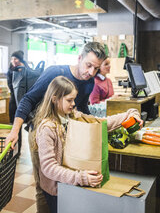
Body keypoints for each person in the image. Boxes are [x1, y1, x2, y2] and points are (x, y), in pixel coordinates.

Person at [5, 42, 143, 213]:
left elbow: (85, 114)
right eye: (88, 65)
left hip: (66, 127)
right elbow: (28, 100)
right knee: (45, 183)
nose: (91, 72)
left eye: (96, 68)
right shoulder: (56, 74)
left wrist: (126, 116)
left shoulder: (88, 82)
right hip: (43, 129)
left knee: (63, 176)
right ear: (79, 58)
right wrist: (15, 131)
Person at [33, 76, 103, 213]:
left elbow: (99, 122)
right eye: (69, 100)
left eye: (74, 99)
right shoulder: (47, 128)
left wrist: (127, 116)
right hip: (56, 190)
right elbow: (48, 167)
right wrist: (80, 177)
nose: (73, 104)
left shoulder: (72, 117)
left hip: (69, 184)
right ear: (54, 99)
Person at [7, 50, 29, 155]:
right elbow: (10, 86)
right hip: (13, 103)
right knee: (14, 127)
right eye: (12, 59)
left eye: (15, 58)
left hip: (24, 102)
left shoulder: (26, 69)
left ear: (20, 59)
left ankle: (19, 150)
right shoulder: (10, 70)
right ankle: (13, 150)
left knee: (24, 126)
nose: (13, 61)